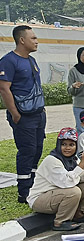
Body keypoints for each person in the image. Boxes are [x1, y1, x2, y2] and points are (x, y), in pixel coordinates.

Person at [0, 25, 46, 203]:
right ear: (22, 40)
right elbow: (4, 89)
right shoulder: (8, 61)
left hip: (38, 114)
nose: (36, 41)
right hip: (23, 116)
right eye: (33, 38)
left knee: (37, 149)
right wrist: (15, 113)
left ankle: (34, 185)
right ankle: (24, 191)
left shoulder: (31, 60)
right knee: (27, 150)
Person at [27, 127, 84, 231]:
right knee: (74, 191)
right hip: (41, 199)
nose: (67, 148)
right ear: (58, 145)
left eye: (71, 145)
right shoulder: (52, 160)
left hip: (59, 194)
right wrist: (82, 163)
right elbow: (67, 182)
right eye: (64, 144)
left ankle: (82, 213)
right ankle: (60, 222)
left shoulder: (74, 159)